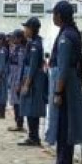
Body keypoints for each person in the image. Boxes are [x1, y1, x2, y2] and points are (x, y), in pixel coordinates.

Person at [45, 1, 82, 164]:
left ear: (59, 16)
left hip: (65, 87)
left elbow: (63, 67)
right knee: (62, 125)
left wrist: (58, 92)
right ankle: (60, 163)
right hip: (68, 84)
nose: (53, 18)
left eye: (54, 14)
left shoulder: (66, 36)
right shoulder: (69, 33)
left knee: (65, 126)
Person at [18, 17, 48, 147]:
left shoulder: (35, 45)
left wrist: (27, 83)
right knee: (29, 107)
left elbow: (33, 66)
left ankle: (34, 137)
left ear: (32, 29)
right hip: (31, 78)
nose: (25, 30)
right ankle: (32, 136)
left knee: (32, 108)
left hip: (35, 80)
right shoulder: (32, 42)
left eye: (27, 28)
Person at [8, 29, 26, 132]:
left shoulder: (21, 50)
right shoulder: (16, 49)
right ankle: (17, 122)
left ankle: (19, 123)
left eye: (14, 37)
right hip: (14, 75)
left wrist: (18, 82)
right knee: (15, 101)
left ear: (19, 38)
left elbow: (20, 66)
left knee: (18, 102)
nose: (12, 39)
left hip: (17, 76)